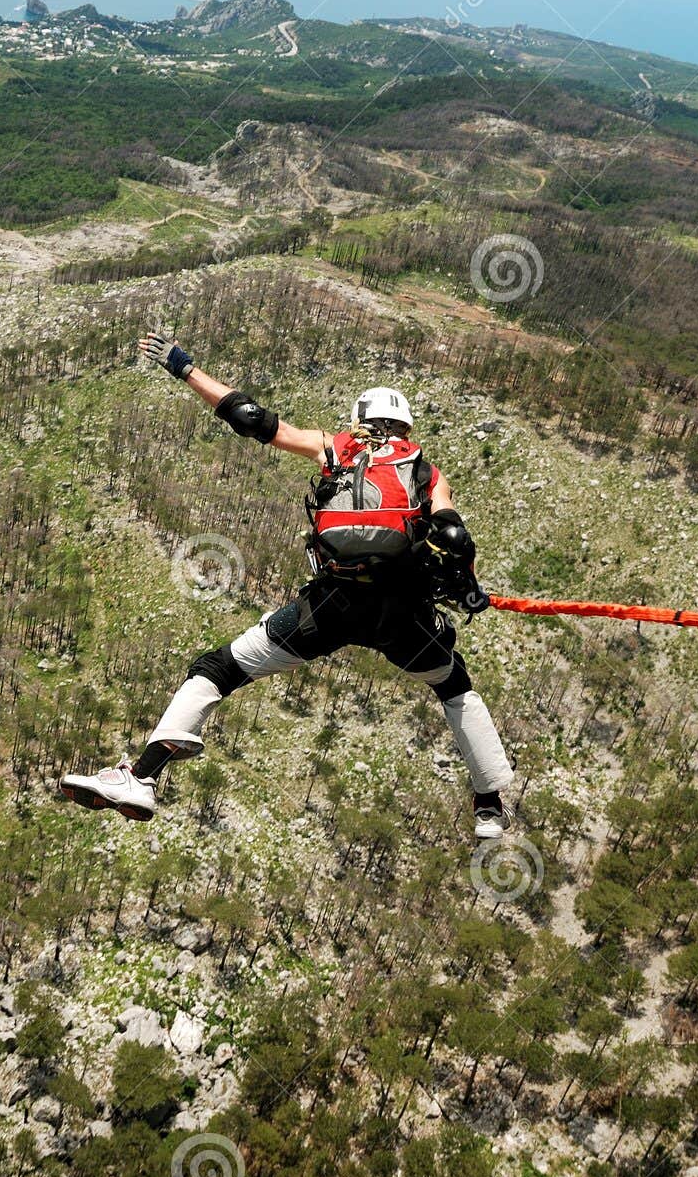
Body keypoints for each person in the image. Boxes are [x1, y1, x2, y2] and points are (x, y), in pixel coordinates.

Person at [60, 333, 515, 840]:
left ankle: (141, 777)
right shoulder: (425, 473)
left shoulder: (333, 447)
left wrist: (184, 368)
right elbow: (452, 533)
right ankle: (488, 806)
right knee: (453, 686)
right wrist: (469, 587)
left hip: (331, 604)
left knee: (219, 669)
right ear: (406, 427)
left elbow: (252, 418)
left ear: (358, 418)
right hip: (401, 614)